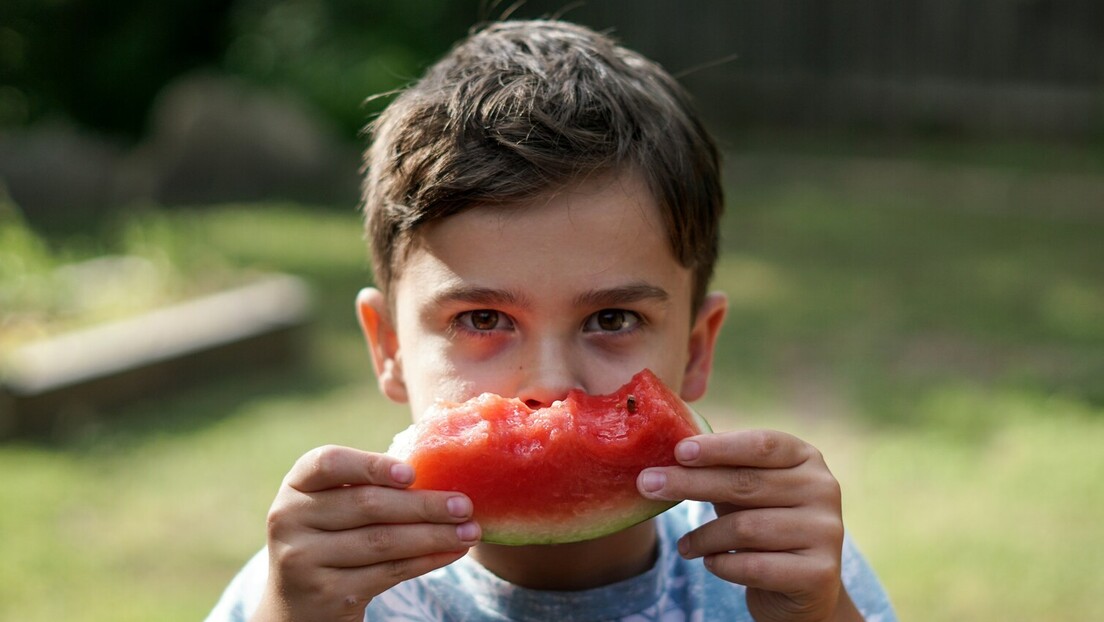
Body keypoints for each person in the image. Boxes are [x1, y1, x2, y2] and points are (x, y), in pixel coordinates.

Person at [207, 19, 896, 622]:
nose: (549, 383)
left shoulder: (775, 569)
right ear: (387, 346)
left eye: (612, 318)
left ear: (695, 348)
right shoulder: (321, 584)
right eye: (483, 317)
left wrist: (819, 613)